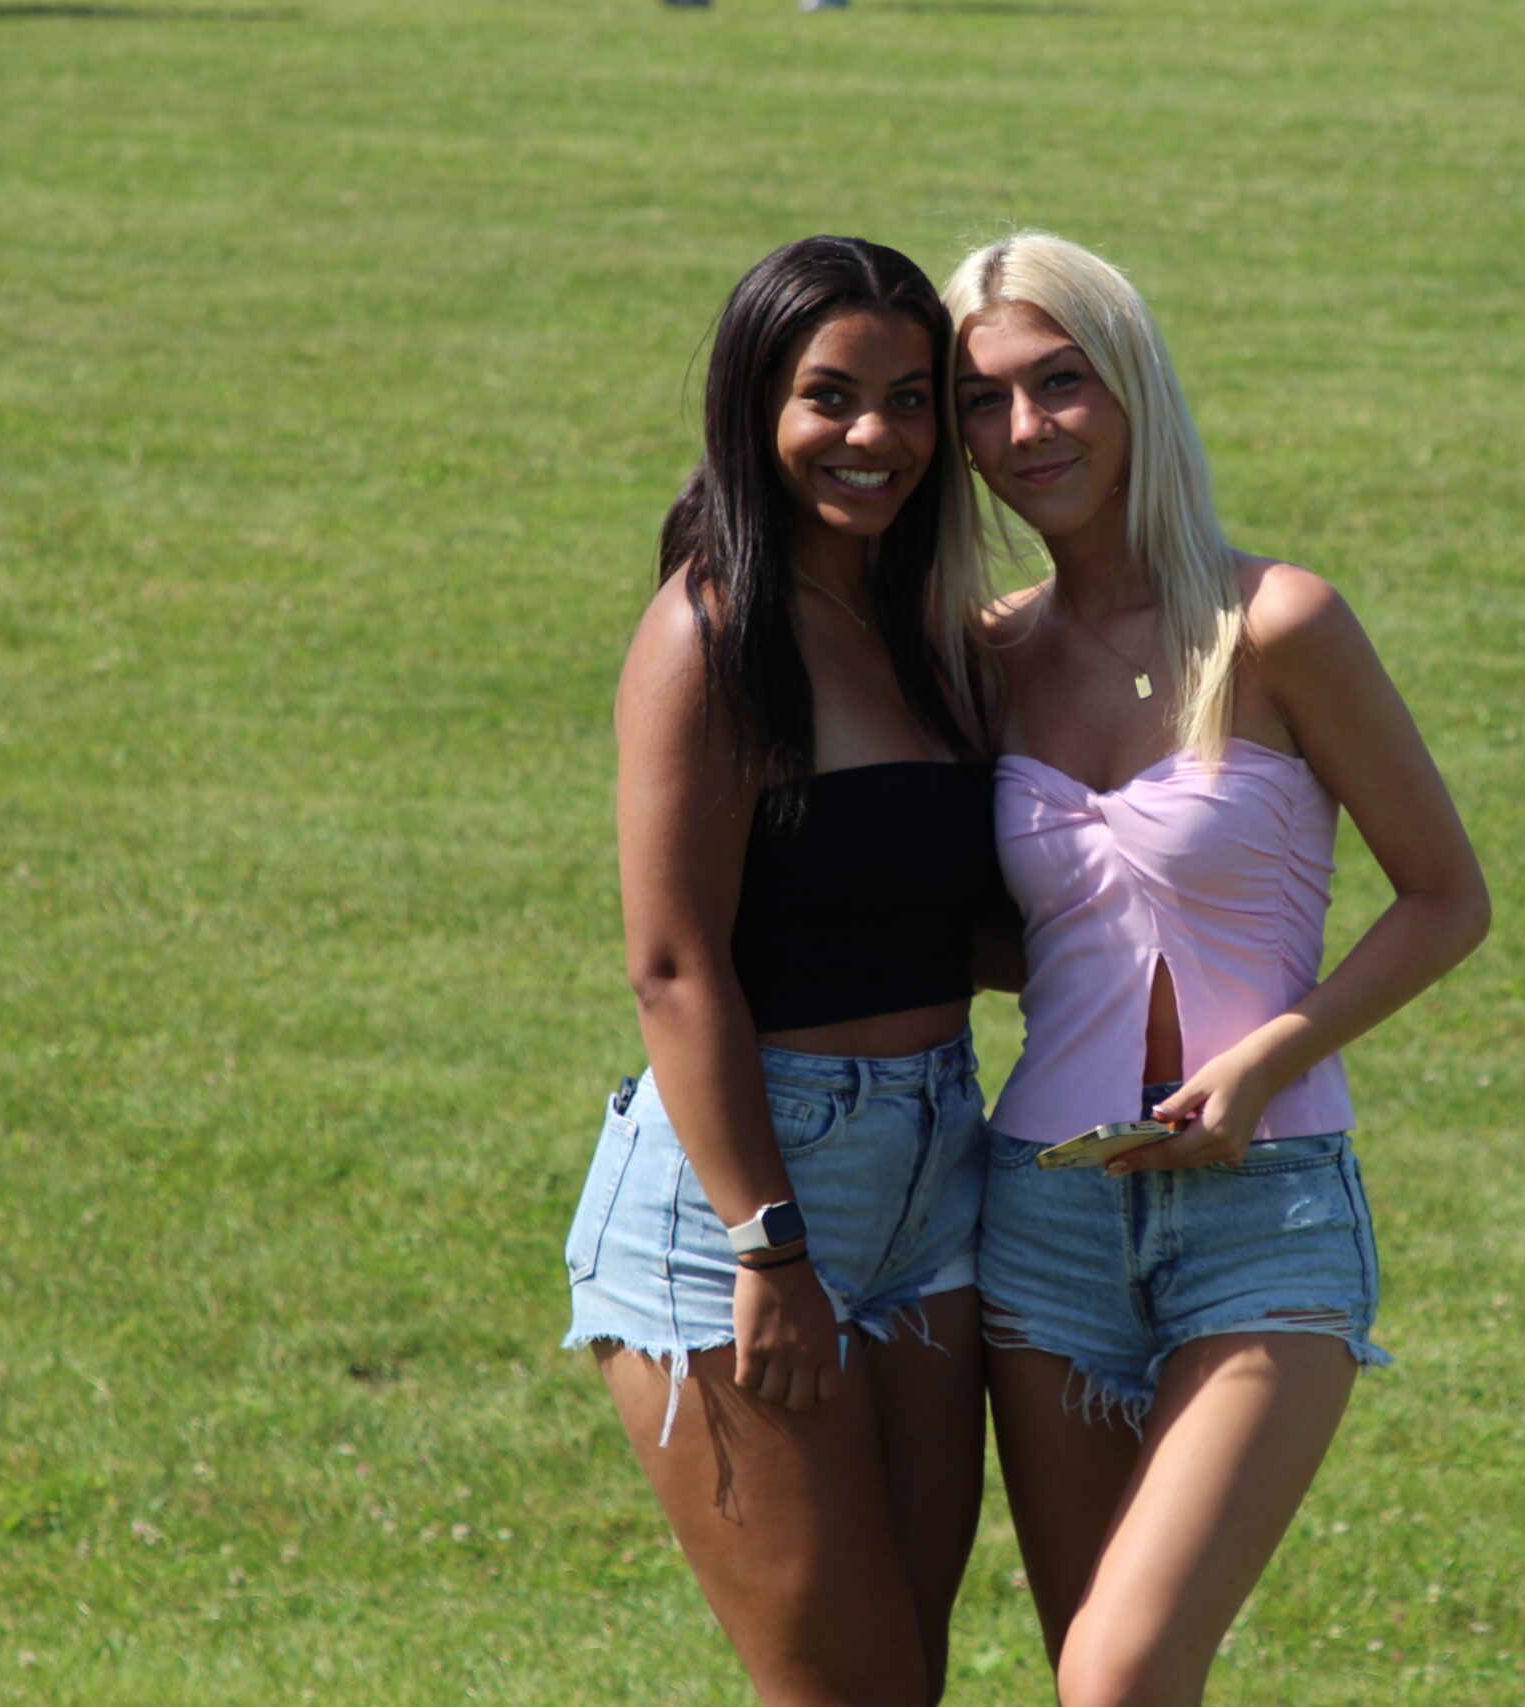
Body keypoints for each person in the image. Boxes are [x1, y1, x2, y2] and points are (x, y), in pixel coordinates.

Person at [940, 232, 1491, 1707]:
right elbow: (995, 930)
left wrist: (1262, 1062)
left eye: (1062, 384)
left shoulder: (1278, 622)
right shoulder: (990, 656)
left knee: (1115, 1676)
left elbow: (1446, 899)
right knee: (1105, 1680)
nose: (1024, 430)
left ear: (1133, 386)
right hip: (1044, 1210)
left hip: (1268, 1209)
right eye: (983, 401)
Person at [561, 234, 1000, 1707]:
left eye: (913, 397)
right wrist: (773, 1247)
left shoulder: (917, 625)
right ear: (756, 410)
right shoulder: (710, 632)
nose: (876, 436)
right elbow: (676, 969)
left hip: (939, 1176)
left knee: (902, 1679)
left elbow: (952, 914)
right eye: (830, 396)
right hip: (740, 1211)